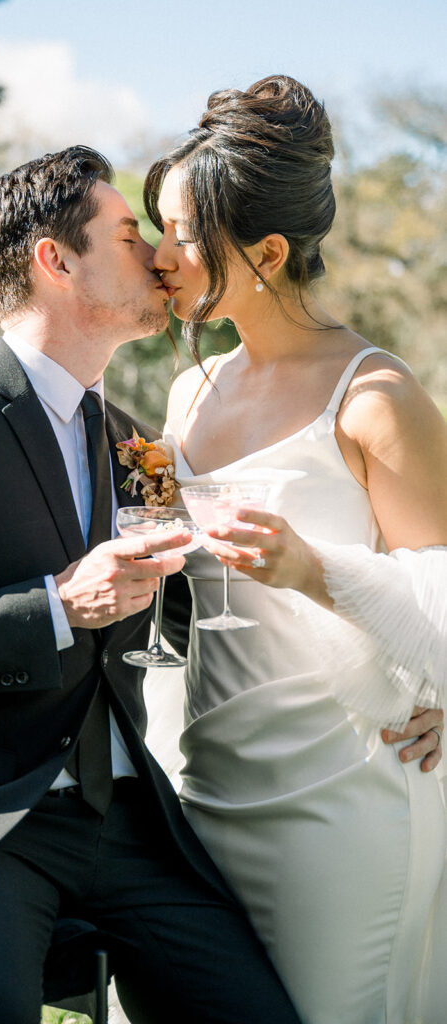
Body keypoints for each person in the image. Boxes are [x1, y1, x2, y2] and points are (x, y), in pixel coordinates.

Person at [0, 146, 303, 1024]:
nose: (157, 256)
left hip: (133, 830)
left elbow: (167, 630)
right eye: (127, 234)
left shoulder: (131, 438)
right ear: (55, 260)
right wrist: (53, 606)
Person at [146, 75, 447, 1023]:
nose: (160, 258)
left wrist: (311, 571)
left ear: (267, 252)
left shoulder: (375, 397)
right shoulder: (190, 395)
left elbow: (445, 606)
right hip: (196, 780)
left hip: (343, 795)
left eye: (180, 236)